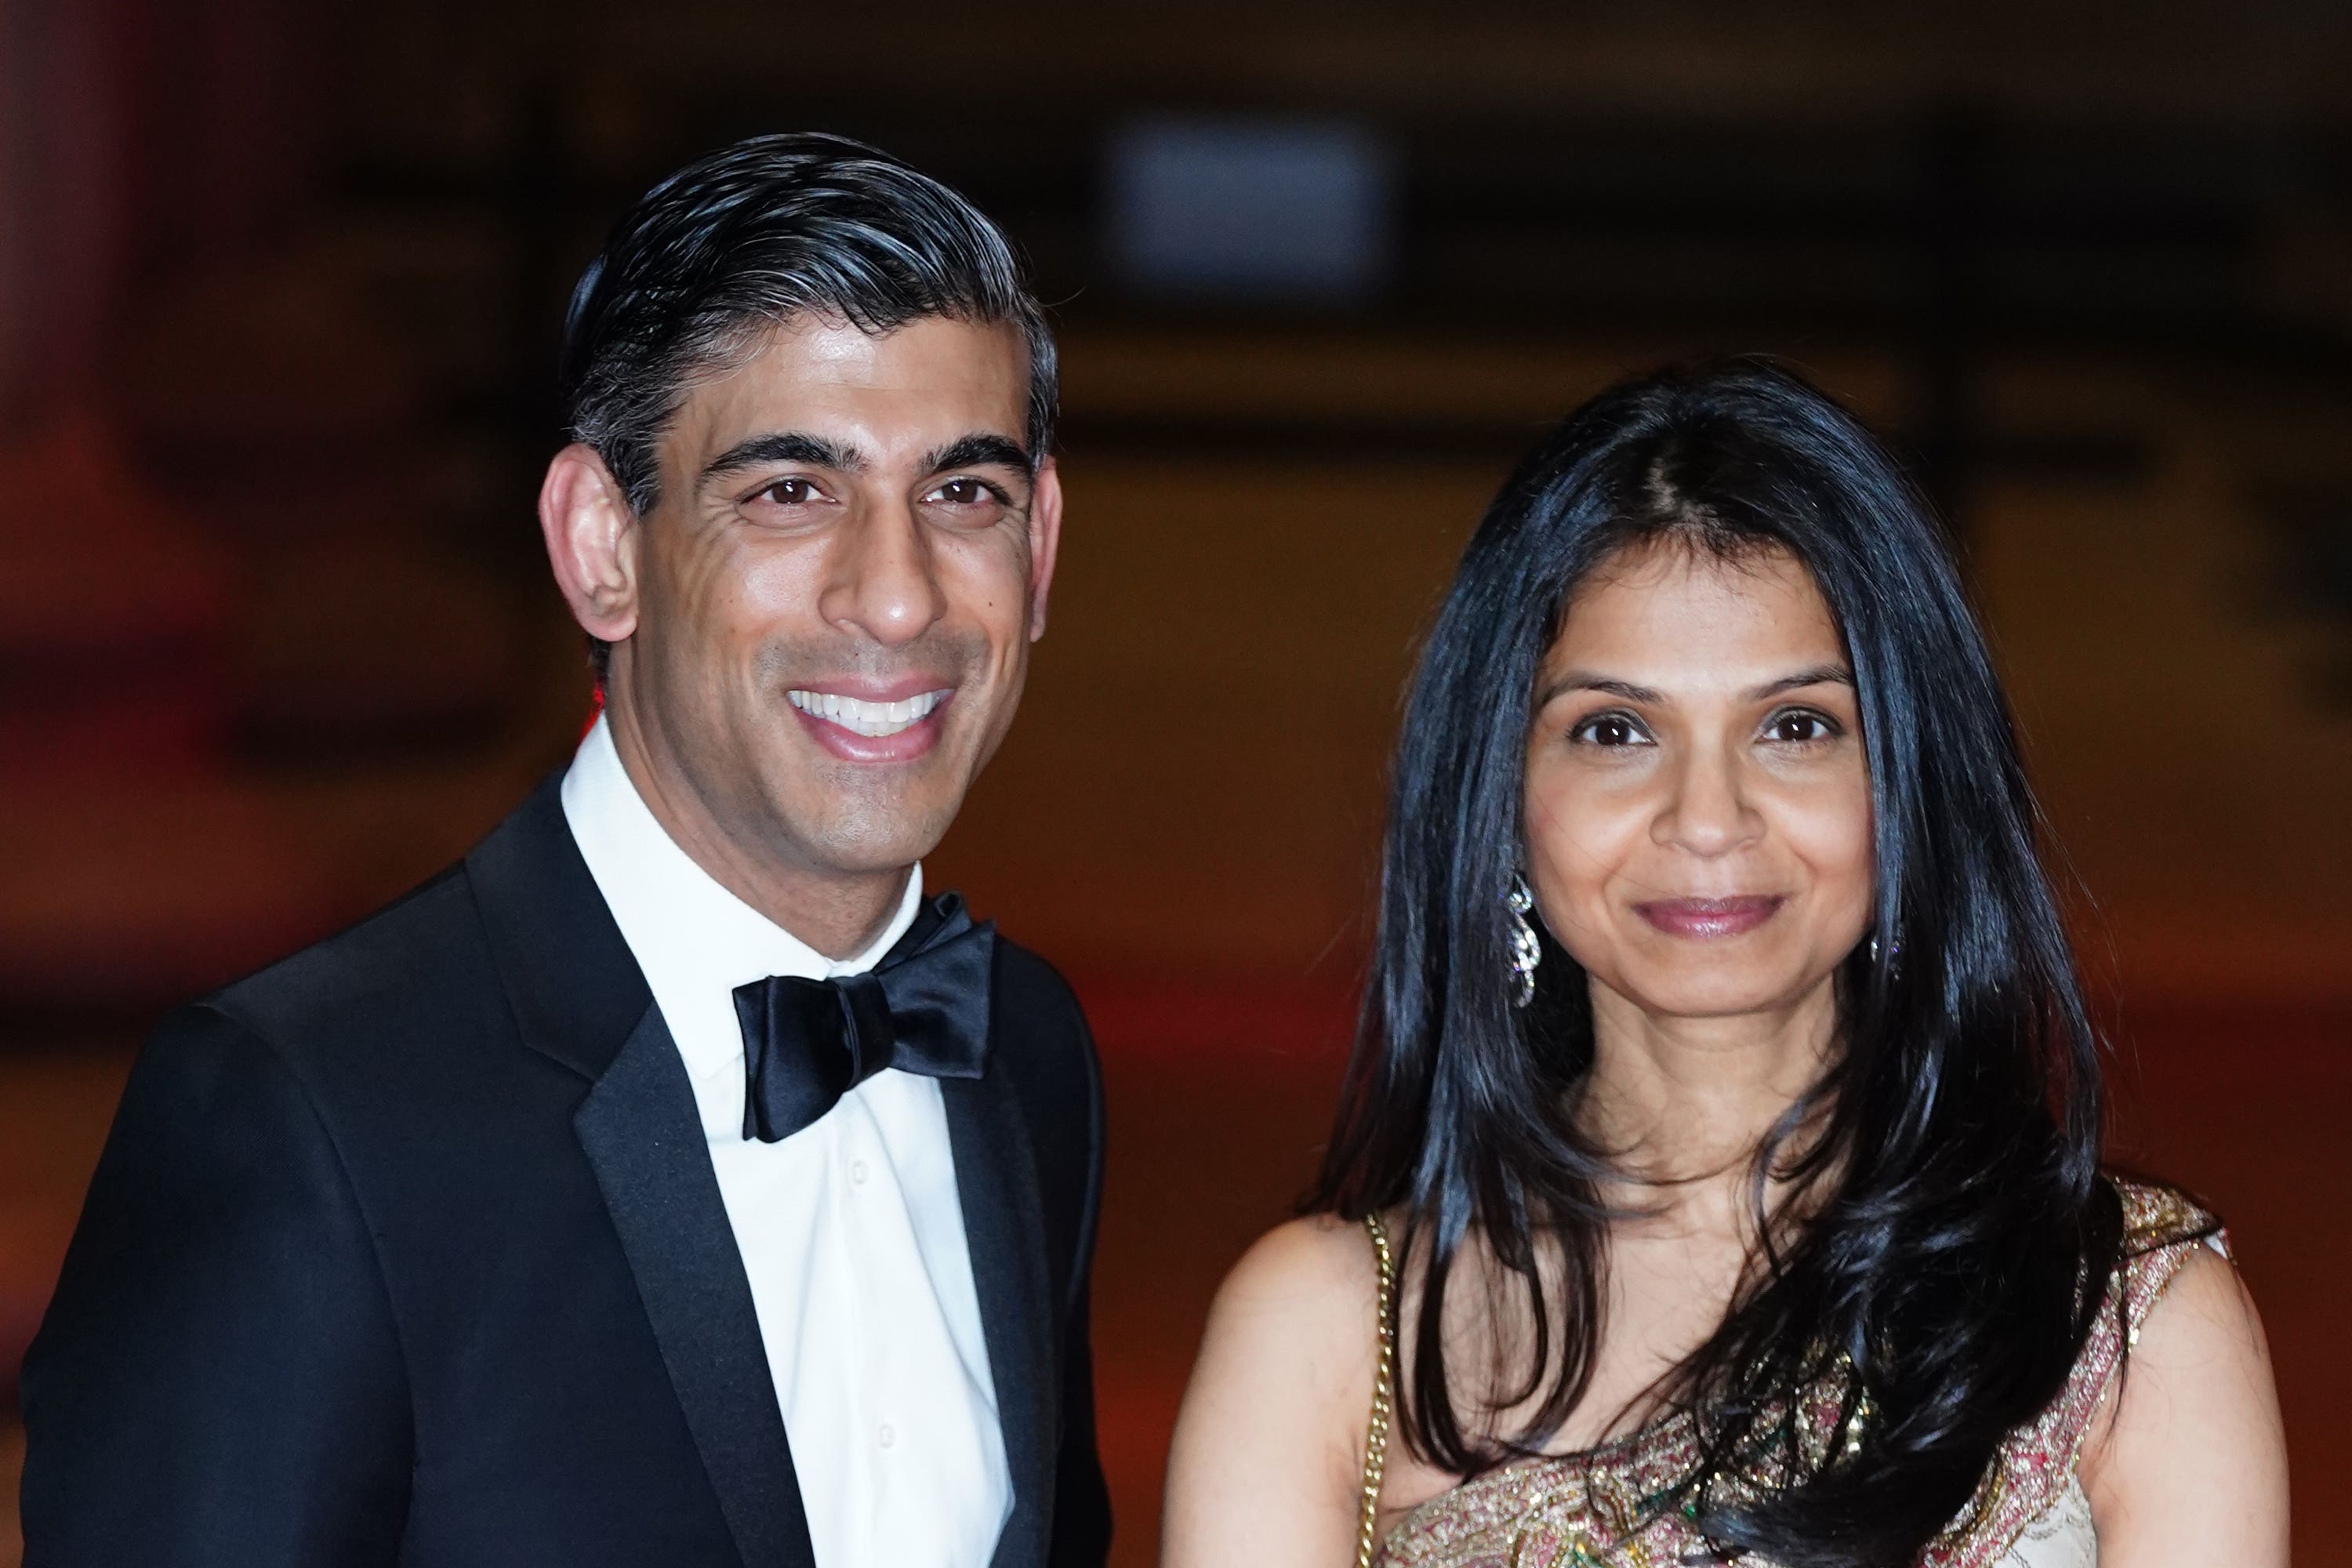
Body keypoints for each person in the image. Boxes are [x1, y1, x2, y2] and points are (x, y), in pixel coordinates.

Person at [23, 133, 1110, 1568]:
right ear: (603, 543)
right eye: (790, 490)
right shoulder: (303, 1118)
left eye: (961, 494)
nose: (898, 598)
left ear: (1036, 550)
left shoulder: (1023, 1055)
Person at [1162, 361, 2288, 1567]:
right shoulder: (1330, 1338)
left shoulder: (2120, 1329)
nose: (1707, 818)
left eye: (1796, 727)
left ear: (1909, 787)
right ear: (1502, 800)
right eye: (1615, 730)